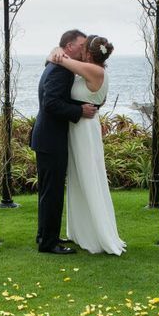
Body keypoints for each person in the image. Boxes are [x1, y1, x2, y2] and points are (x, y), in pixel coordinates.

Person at [46, 35, 126, 255]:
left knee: (89, 177)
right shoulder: (89, 68)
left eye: (83, 47)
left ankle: (98, 235)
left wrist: (56, 50)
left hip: (84, 130)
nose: (80, 50)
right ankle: (82, 232)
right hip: (79, 126)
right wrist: (57, 48)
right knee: (79, 180)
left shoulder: (95, 71)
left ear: (89, 54)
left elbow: (58, 59)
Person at [30, 30, 98, 255]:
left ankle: (45, 235)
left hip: (47, 138)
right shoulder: (60, 70)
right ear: (69, 46)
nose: (84, 49)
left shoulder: (60, 65)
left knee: (49, 192)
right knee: (53, 192)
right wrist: (78, 110)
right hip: (50, 139)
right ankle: (48, 243)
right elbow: (51, 103)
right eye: (81, 45)